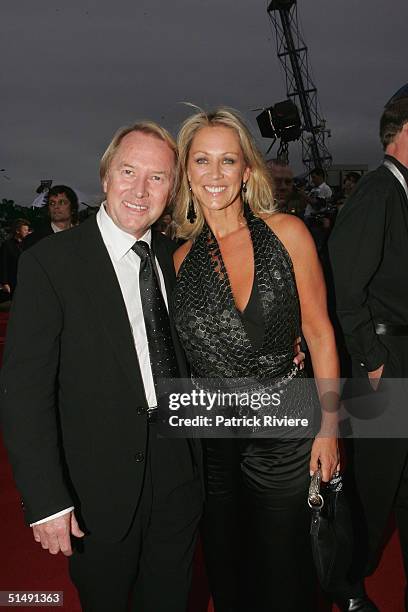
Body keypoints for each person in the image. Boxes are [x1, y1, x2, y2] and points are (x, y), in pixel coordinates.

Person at [0, 122, 203, 612]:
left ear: (171, 189)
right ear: (106, 177)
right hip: (97, 488)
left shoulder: (175, 258)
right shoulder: (51, 263)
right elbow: (25, 392)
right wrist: (46, 498)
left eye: (157, 178)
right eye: (128, 171)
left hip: (179, 469)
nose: (140, 190)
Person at [172, 107, 340, 612]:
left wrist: (330, 428)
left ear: (248, 170)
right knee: (229, 570)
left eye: (229, 160)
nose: (215, 175)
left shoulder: (288, 233)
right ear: (187, 172)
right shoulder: (179, 260)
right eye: (202, 161)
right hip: (215, 441)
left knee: (286, 569)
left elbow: (320, 334)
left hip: (286, 432)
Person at [329, 93, 408, 611]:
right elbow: (344, 283)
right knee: (374, 487)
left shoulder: (399, 193)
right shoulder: (378, 192)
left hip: (398, 353)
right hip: (384, 360)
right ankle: (346, 588)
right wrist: (373, 358)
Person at [24, 184, 79, 249]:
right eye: (52, 203)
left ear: (72, 208)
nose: (56, 207)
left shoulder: (83, 236)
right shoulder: (34, 240)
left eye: (62, 202)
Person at [0, 218, 31, 295]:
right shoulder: (7, 245)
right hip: (13, 282)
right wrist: (4, 283)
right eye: (25, 230)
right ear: (17, 231)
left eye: (28, 230)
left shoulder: (28, 244)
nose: (27, 232)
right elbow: (3, 265)